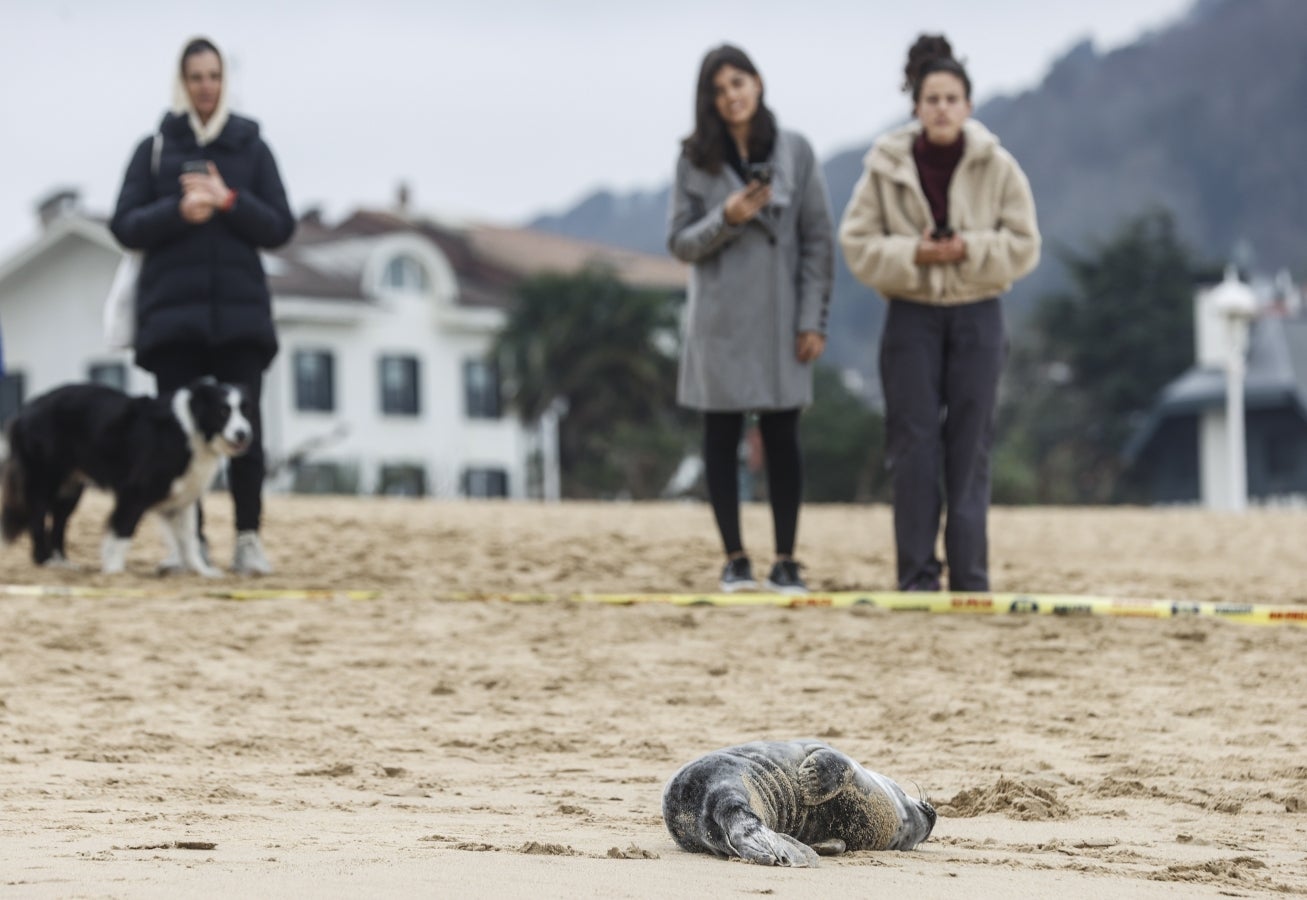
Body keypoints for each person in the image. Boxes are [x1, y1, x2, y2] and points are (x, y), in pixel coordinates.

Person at [839, 35, 1040, 593]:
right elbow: (856, 244)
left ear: (969, 106)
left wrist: (969, 249)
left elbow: (1025, 245)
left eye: (953, 98)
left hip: (979, 314)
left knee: (971, 445)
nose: (943, 108)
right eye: (932, 99)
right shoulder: (884, 166)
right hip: (910, 317)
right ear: (917, 106)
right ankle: (917, 577)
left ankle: (971, 579)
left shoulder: (999, 167)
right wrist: (916, 254)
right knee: (912, 445)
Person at [110, 36, 294, 575]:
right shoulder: (155, 149)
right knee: (176, 442)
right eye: (195, 77)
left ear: (225, 80)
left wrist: (228, 201)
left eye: (213, 76)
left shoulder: (252, 148)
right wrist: (179, 209)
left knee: (244, 435)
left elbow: (281, 226)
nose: (205, 86)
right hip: (173, 321)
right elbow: (124, 225)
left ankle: (248, 539)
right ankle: (188, 545)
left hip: (241, 320)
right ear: (181, 81)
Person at [667, 44, 835, 595]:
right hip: (719, 319)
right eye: (718, 90)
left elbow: (817, 242)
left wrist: (813, 319)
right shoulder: (694, 159)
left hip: (783, 317)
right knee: (721, 433)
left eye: (738, 82)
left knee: (783, 433)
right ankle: (734, 558)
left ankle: (786, 559)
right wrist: (727, 217)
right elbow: (680, 243)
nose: (730, 96)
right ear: (707, 100)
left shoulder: (797, 151)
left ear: (758, 83)